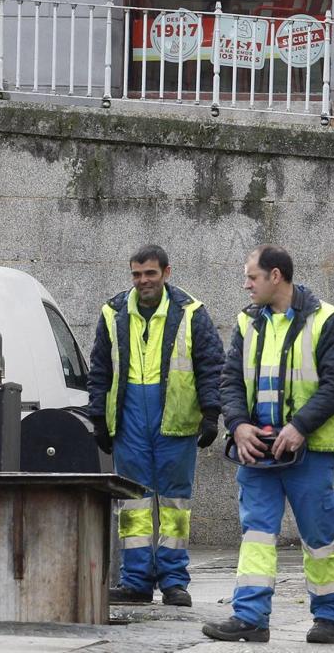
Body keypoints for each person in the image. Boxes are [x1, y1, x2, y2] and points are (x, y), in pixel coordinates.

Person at [202, 245, 334, 645]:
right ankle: (250, 616)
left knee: (318, 536)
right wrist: (237, 426)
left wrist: (299, 426)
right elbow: (230, 380)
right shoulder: (247, 322)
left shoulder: (328, 321)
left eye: (252, 276)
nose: (246, 284)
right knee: (256, 534)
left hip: (309, 450)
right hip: (256, 448)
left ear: (275, 276)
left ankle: (327, 616)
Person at [87, 244, 225, 608]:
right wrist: (98, 417)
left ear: (167, 272)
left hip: (175, 423)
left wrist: (212, 413)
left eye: (149, 273)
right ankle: (135, 581)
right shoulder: (113, 312)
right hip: (130, 419)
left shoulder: (191, 313)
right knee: (133, 504)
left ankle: (174, 581)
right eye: (136, 274)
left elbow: (212, 365)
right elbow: (99, 369)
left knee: (174, 505)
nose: (142, 281)